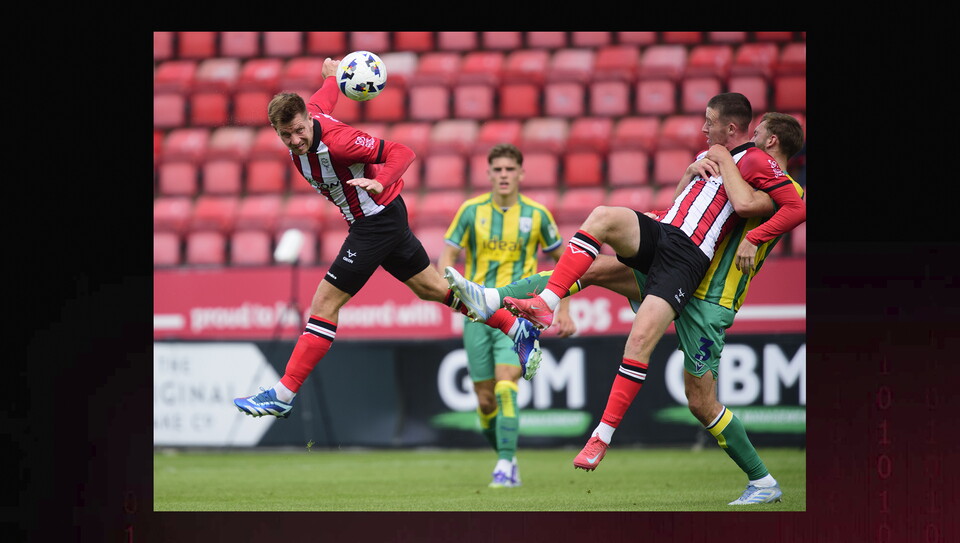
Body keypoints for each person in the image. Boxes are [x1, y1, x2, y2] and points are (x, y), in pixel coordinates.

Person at [449, 99, 806, 504]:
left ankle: (762, 480)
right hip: (673, 259)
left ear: (770, 141)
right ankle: (497, 297)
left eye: (757, 136)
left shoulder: (777, 185)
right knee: (595, 267)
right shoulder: (735, 164)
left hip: (708, 299)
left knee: (701, 402)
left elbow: (754, 205)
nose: (750, 142)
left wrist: (748, 219)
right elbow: (683, 210)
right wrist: (697, 171)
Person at [233, 59, 544, 419]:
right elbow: (328, 91)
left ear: (307, 119)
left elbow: (402, 152)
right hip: (381, 219)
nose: (295, 140)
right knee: (432, 289)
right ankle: (514, 326)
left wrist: (380, 181)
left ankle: (283, 394)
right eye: (286, 135)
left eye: (299, 131)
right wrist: (333, 73)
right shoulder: (311, 112)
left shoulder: (340, 143)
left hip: (374, 223)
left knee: (324, 303)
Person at [437, 143, 575, 488]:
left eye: (509, 169)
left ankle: (504, 464)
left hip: (519, 315)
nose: (503, 175)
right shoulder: (471, 211)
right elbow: (447, 257)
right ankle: (507, 456)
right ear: (488, 174)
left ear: (521, 174)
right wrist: (449, 289)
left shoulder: (538, 215)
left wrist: (565, 308)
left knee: (505, 384)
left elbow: (568, 261)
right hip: (476, 316)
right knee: (485, 400)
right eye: (497, 169)